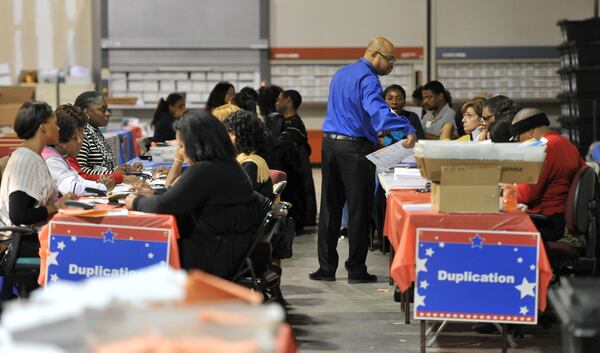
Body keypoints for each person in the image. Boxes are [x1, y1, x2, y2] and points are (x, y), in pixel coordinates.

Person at [310, 37, 416, 284]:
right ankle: (356, 270)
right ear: (375, 55)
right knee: (358, 210)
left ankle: (326, 268)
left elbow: (353, 111)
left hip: (329, 145)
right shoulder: (368, 79)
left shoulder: (341, 73)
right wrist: (406, 127)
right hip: (354, 150)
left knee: (329, 208)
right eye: (390, 60)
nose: (391, 65)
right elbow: (377, 111)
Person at [124, 110, 264, 279]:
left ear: (197, 143)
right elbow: (182, 198)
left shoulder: (205, 170)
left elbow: (163, 206)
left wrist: (135, 201)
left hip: (214, 256)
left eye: (182, 146)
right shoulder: (227, 164)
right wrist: (157, 194)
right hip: (234, 251)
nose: (180, 152)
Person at [511, 108, 585, 243]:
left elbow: (526, 194)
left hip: (546, 222)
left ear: (529, 132)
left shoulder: (541, 149)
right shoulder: (568, 144)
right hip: (562, 220)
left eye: (517, 138)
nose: (518, 143)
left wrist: (507, 188)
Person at [0, 101, 75, 228]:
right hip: (22, 241)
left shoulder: (33, 156)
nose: (58, 128)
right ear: (42, 127)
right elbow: (19, 215)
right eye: (55, 123)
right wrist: (57, 206)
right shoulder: (26, 159)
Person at [42, 104, 112, 196]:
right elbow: (72, 188)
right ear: (61, 141)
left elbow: (79, 180)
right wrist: (102, 187)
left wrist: (99, 185)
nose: (80, 140)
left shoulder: (60, 156)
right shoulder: (51, 159)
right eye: (75, 137)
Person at [70, 91, 137, 185]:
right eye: (102, 110)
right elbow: (82, 171)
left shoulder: (95, 131)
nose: (107, 113)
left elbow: (102, 165)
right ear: (85, 112)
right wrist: (114, 174)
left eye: (107, 109)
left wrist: (120, 169)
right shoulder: (83, 134)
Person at [275, 89, 317, 227]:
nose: (277, 102)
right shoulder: (292, 123)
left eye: (279, 99)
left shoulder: (291, 126)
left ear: (288, 100)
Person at [223, 110, 273, 198]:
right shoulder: (245, 161)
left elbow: (236, 197)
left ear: (242, 134)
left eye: (230, 132)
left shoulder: (252, 165)